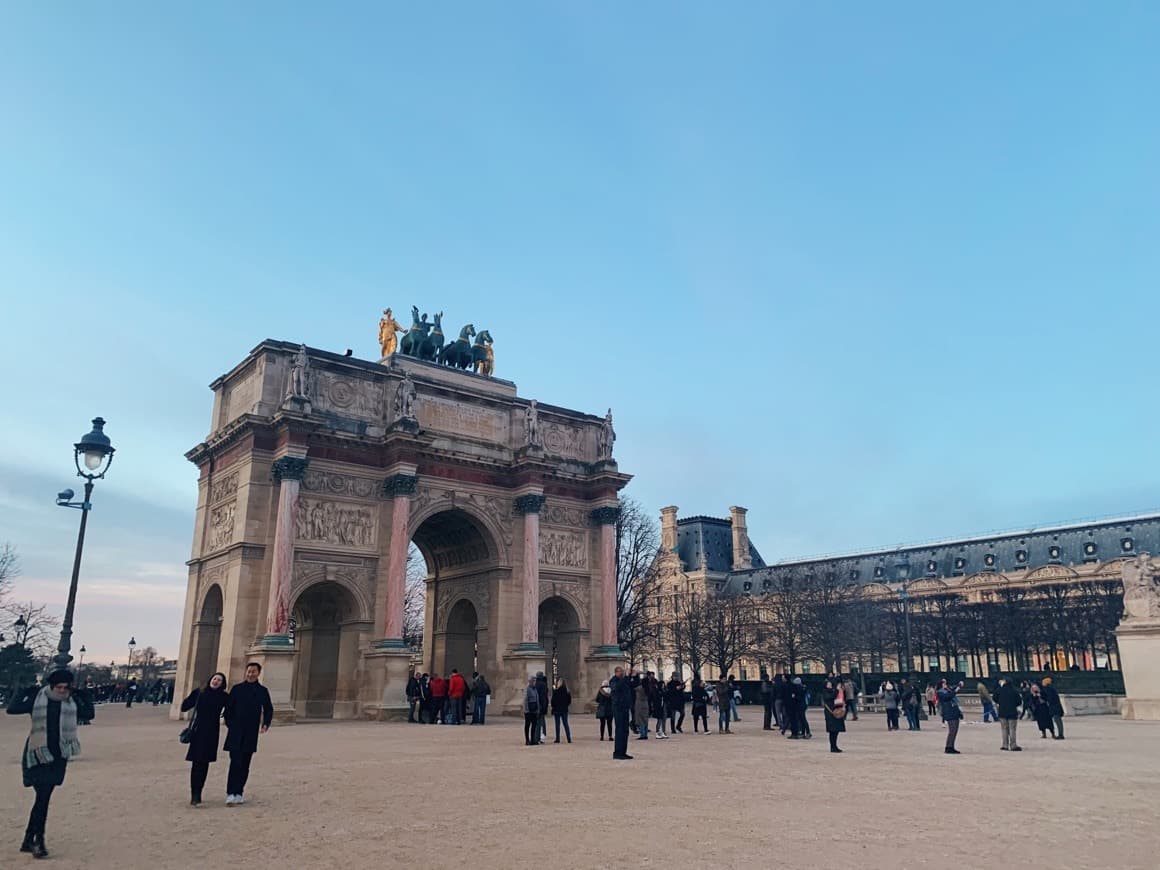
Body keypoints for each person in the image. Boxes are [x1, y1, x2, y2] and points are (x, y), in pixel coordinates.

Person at [7, 670, 80, 858]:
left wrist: (83, 694)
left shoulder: (71, 701)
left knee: (42, 799)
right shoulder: (37, 698)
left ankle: (27, 840)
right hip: (38, 753)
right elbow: (12, 709)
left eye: (66, 687)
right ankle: (38, 840)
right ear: (51, 685)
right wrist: (23, 691)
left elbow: (89, 713)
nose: (62, 691)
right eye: (59, 687)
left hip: (58, 755)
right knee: (43, 799)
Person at [222, 662, 273, 806]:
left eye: (254, 671)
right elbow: (228, 709)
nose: (251, 674)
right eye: (249, 671)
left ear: (258, 673)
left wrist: (265, 724)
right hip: (236, 731)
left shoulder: (262, 690)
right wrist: (231, 724)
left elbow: (268, 709)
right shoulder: (237, 689)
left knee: (245, 764)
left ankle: (239, 792)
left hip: (251, 731)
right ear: (246, 672)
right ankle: (231, 792)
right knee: (235, 762)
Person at [180, 672, 229, 806]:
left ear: (222, 683)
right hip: (198, 730)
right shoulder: (199, 692)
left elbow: (231, 711)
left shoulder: (224, 696)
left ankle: (198, 792)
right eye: (215, 679)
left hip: (212, 732)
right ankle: (194, 794)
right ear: (210, 680)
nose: (216, 681)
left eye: (219, 680)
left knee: (204, 763)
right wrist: (189, 698)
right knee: (197, 763)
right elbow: (184, 706)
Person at [609, 665, 636, 760]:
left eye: (623, 672)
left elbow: (633, 684)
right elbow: (617, 687)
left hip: (625, 708)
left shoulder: (624, 681)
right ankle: (617, 752)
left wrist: (632, 676)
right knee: (620, 730)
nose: (622, 673)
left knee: (625, 731)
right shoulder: (613, 681)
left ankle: (623, 752)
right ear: (616, 672)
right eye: (621, 672)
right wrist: (625, 677)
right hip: (618, 708)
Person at [995, 677, 1023, 752]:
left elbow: (994, 698)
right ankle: (1013, 745)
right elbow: (1019, 701)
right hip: (1012, 712)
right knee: (1012, 729)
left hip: (1002, 711)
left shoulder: (999, 690)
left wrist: (1000, 702)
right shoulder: (1014, 691)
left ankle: (1005, 745)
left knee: (1004, 729)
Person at [937, 679, 964, 755]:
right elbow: (948, 696)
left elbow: (953, 688)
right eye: (944, 683)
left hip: (954, 711)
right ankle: (948, 747)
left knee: (955, 730)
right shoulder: (940, 692)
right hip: (949, 712)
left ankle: (951, 746)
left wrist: (958, 685)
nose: (946, 684)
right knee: (952, 730)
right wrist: (956, 690)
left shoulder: (947, 690)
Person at [822, 677, 846, 753]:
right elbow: (830, 697)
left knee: (836, 731)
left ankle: (834, 746)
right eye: (828, 684)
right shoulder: (825, 691)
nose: (830, 685)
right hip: (830, 713)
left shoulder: (833, 690)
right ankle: (832, 746)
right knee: (832, 731)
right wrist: (836, 690)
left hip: (835, 711)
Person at [551, 678, 572, 743]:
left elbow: (553, 701)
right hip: (564, 709)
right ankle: (569, 738)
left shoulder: (556, 691)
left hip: (557, 709)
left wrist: (554, 706)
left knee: (557, 725)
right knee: (566, 724)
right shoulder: (567, 692)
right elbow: (569, 701)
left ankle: (558, 738)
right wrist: (565, 705)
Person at [522, 676, 541, 746]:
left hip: (534, 710)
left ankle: (533, 739)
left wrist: (538, 709)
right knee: (527, 725)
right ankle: (527, 740)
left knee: (534, 725)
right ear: (530, 682)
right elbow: (525, 700)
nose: (534, 682)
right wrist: (526, 710)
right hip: (529, 711)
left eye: (535, 681)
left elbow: (537, 700)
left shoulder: (535, 689)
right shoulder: (527, 689)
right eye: (533, 681)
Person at [634, 675, 651, 739]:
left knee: (640, 721)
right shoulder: (648, 688)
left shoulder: (640, 688)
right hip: (646, 704)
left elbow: (633, 687)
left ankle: (642, 734)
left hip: (639, 705)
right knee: (645, 720)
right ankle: (645, 734)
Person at [535, 672, 549, 741]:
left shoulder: (535, 684)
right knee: (541, 723)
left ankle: (538, 737)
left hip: (536, 706)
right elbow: (543, 697)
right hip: (541, 706)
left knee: (537, 723)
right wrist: (544, 707)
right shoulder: (543, 684)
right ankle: (540, 737)